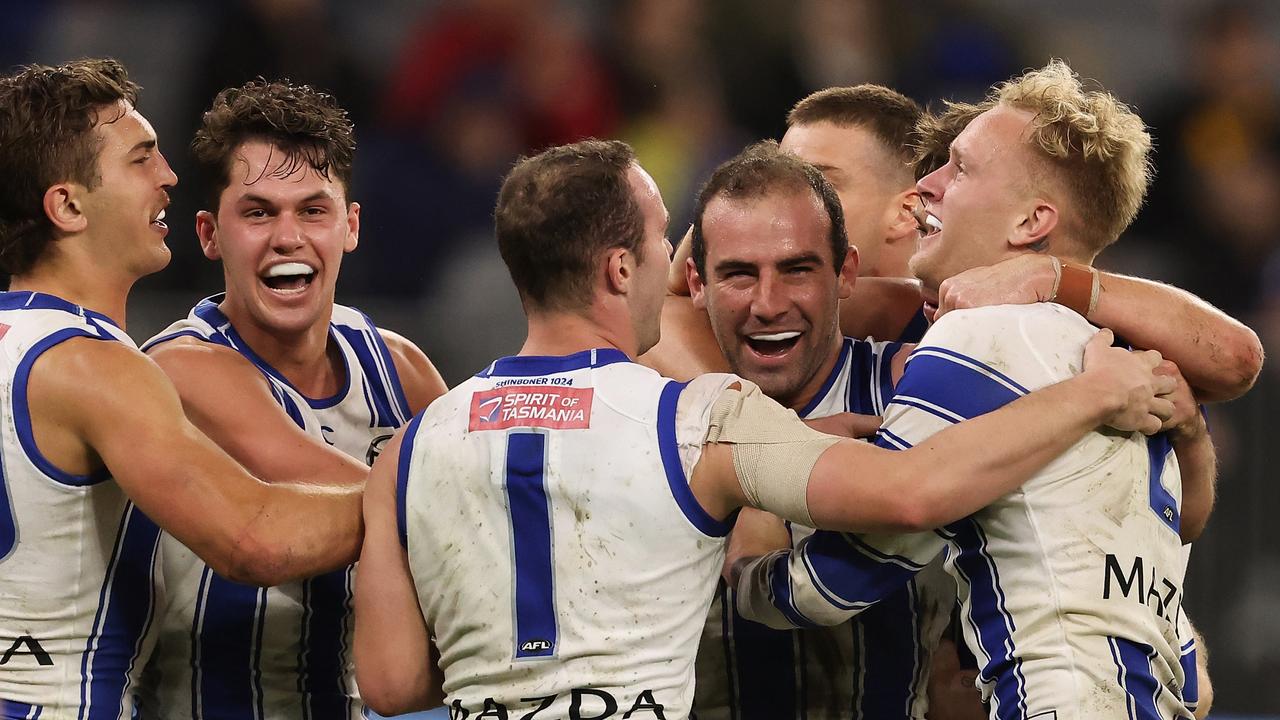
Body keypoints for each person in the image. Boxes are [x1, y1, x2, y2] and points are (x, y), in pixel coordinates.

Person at [351, 138, 1175, 719]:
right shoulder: (700, 419)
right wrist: (1094, 395)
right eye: (661, 239)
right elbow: (912, 489)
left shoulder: (411, 449)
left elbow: (387, 685)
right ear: (619, 268)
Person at [732, 60, 1229, 719]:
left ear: (1031, 222)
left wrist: (752, 530)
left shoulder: (983, 339)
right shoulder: (1133, 365)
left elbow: (825, 584)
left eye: (959, 168)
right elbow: (1189, 679)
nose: (928, 186)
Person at [0, 59, 364, 719]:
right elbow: (254, 539)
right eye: (141, 159)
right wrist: (425, 489)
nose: (168, 176)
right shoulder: (91, 364)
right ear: (69, 204)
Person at [133, 80, 447, 720]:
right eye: (257, 212)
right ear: (208, 234)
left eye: (312, 210)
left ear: (350, 225)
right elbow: (455, 501)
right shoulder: (178, 368)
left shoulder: (399, 367)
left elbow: (474, 494)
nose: (287, 237)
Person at [686, 141, 952, 720]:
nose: (768, 303)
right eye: (737, 274)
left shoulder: (920, 388)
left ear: (847, 272)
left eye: (796, 269)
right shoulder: (659, 420)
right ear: (695, 282)